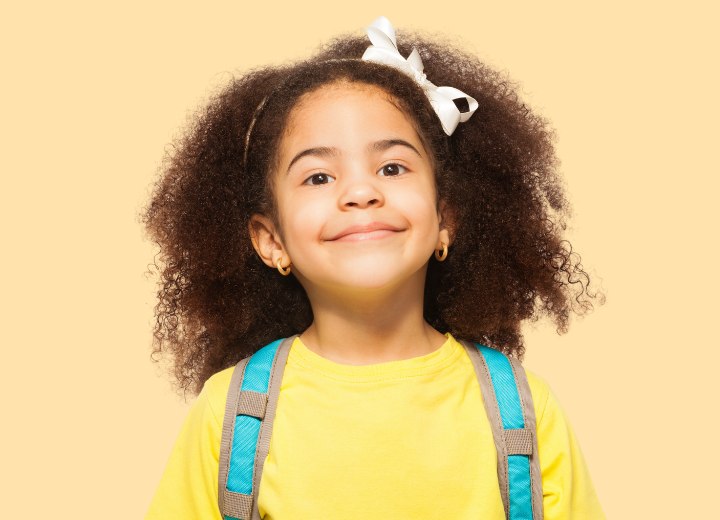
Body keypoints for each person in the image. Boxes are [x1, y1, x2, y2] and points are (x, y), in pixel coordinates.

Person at [142, 16, 605, 520]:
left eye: (392, 168)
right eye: (318, 176)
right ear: (272, 241)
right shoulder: (229, 414)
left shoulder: (526, 411)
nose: (361, 193)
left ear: (444, 218)